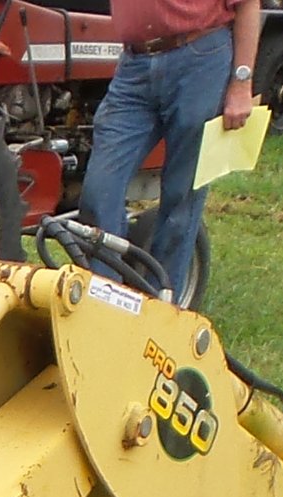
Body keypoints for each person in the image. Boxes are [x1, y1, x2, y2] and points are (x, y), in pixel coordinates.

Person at [80, 0, 262, 302]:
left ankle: (163, 309)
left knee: (182, 195)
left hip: (199, 57)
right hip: (134, 64)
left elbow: (247, 4)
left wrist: (241, 83)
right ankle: (106, 303)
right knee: (100, 190)